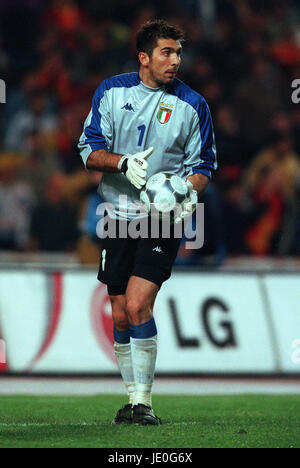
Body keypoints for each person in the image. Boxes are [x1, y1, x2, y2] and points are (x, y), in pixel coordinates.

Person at [78, 19, 217, 425]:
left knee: (139, 304)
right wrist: (123, 163)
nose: (175, 61)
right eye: (166, 53)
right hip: (115, 215)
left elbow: (204, 165)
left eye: (178, 53)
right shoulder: (111, 91)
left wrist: (187, 191)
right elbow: (89, 149)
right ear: (144, 58)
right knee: (120, 314)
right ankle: (132, 399)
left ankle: (144, 403)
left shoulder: (194, 105)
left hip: (161, 219)